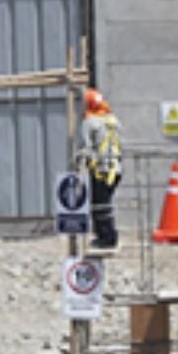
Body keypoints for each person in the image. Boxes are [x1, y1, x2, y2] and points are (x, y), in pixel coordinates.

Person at [80, 88, 123, 250]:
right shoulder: (113, 121)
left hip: (101, 169)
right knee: (106, 202)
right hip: (116, 169)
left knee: (99, 204)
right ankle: (107, 235)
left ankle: (106, 237)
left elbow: (87, 147)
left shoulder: (90, 122)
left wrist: (79, 161)